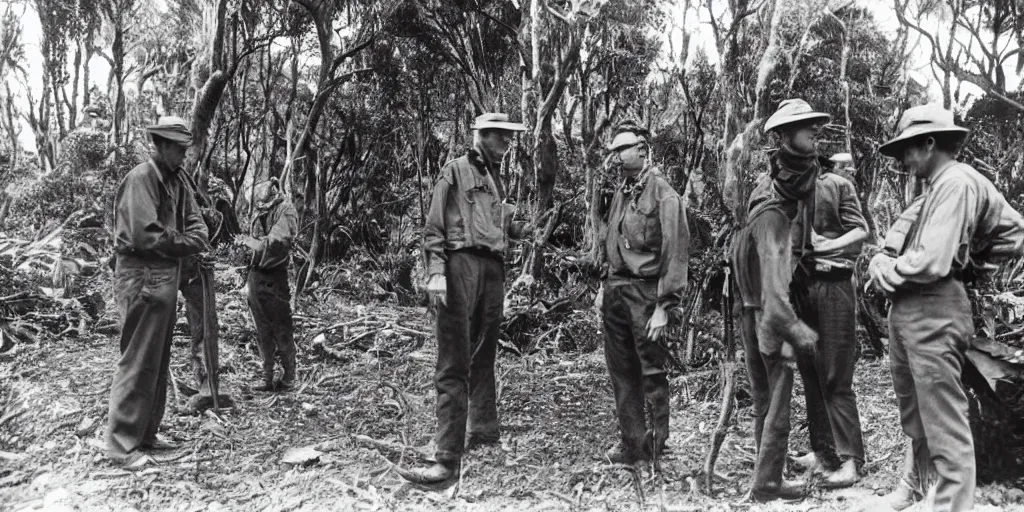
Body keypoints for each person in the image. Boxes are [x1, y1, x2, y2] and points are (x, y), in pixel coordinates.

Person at [869, 104, 1024, 512]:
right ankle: (921, 490)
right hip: (913, 310)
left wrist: (892, 266)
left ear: (930, 143)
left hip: (934, 309)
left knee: (944, 424)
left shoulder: (956, 183)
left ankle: (950, 505)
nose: (903, 159)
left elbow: (933, 262)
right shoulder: (936, 189)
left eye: (907, 149)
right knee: (918, 413)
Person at [404, 112, 529, 483]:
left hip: (492, 269)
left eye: (509, 138)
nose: (507, 144)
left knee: (484, 352)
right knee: (454, 360)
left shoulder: (496, 177)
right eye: (502, 137)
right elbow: (433, 226)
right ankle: (446, 458)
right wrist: (437, 272)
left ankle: (484, 431)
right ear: (483, 136)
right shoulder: (455, 170)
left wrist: (520, 227)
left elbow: (496, 226)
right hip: (459, 267)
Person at [732, 99, 827, 501]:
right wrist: (798, 331)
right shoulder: (772, 215)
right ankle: (768, 483)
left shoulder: (770, 197)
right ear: (784, 137)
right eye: (805, 129)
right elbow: (774, 288)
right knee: (779, 402)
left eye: (815, 128)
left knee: (762, 399)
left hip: (749, 308)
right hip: (767, 313)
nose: (814, 134)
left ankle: (764, 468)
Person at [107, 116, 210, 469]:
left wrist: (177, 243)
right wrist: (181, 243)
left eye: (185, 149)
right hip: (140, 278)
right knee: (138, 359)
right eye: (178, 149)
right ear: (162, 145)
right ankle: (122, 446)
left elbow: (201, 230)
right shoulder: (141, 179)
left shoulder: (178, 182)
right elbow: (144, 236)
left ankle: (146, 435)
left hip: (165, 277)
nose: (184, 155)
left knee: (157, 360)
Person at [595, 124, 689, 464]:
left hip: (646, 294)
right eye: (614, 152)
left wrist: (665, 306)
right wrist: (602, 287)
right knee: (621, 370)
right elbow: (613, 241)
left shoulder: (664, 194)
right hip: (616, 291)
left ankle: (654, 444)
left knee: (650, 369)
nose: (617, 157)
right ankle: (631, 443)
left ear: (643, 151)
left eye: (623, 150)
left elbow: (676, 252)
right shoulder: (621, 191)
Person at [789, 151, 870, 487]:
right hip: (801, 287)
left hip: (833, 285)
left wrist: (828, 244)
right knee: (810, 371)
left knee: (836, 375)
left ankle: (850, 460)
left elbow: (860, 230)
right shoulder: (786, 189)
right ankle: (823, 451)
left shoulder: (836, 184)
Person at [237, 177, 299, 392]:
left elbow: (278, 242)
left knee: (281, 327)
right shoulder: (260, 212)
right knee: (262, 329)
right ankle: (267, 377)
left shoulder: (286, 210)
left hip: (275, 277)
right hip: (256, 276)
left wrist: (253, 244)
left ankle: (289, 378)